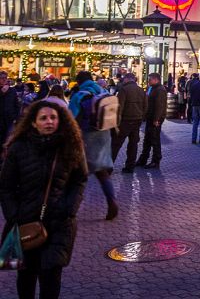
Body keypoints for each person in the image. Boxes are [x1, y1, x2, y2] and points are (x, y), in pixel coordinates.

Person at [0, 101, 88, 299]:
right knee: (26, 276)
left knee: (51, 276)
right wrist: (14, 214)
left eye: (53, 117)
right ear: (33, 123)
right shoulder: (18, 148)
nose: (49, 122)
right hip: (25, 222)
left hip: (59, 223)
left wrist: (69, 208)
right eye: (43, 118)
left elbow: (79, 179)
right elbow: (5, 186)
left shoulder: (71, 145)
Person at [68, 74, 118, 221]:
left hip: (86, 136)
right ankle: (112, 201)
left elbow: (71, 117)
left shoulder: (80, 95)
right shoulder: (104, 92)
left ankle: (71, 209)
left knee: (78, 174)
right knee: (102, 173)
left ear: (79, 82)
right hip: (104, 135)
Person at [111, 72, 147, 173]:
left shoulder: (124, 90)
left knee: (116, 144)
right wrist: (141, 117)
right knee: (133, 145)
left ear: (127, 79)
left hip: (125, 121)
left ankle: (108, 167)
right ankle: (130, 167)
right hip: (137, 121)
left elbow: (119, 107)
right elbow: (145, 106)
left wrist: (116, 122)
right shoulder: (141, 90)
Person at [137, 73, 167, 169]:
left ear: (156, 79)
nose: (148, 81)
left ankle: (155, 160)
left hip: (155, 119)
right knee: (148, 139)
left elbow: (159, 106)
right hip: (151, 118)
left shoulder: (159, 90)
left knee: (154, 140)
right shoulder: (154, 89)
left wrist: (156, 119)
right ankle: (143, 159)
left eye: (150, 80)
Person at [0, 70, 19, 150]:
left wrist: (15, 117)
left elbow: (16, 104)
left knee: (8, 140)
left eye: (5, 78)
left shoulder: (12, 90)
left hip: (9, 119)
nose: (4, 80)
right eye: (1, 78)